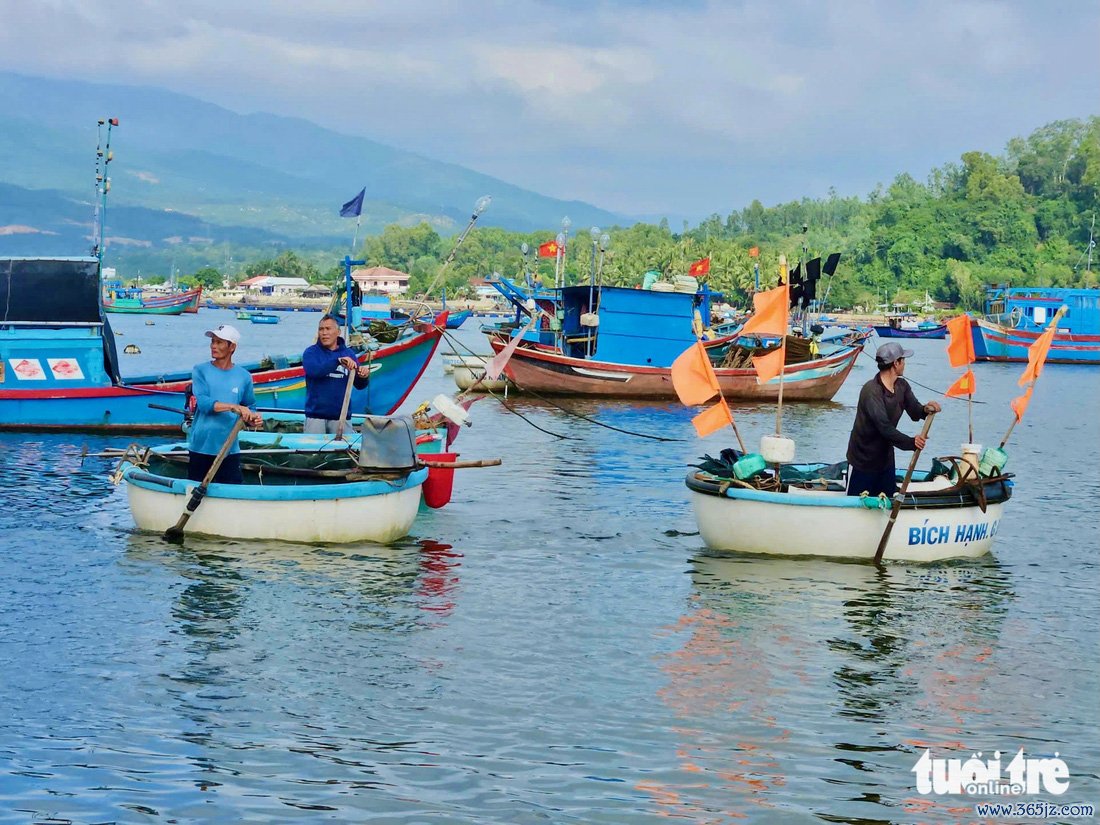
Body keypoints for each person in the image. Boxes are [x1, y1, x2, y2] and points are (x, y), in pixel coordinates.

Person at [846, 341, 942, 498]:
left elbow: (915, 411)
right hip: (863, 460)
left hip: (885, 460)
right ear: (896, 363)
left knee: (887, 499)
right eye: (903, 360)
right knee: (858, 503)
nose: (904, 364)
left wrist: (926, 409)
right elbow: (884, 427)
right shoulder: (871, 391)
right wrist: (911, 442)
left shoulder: (902, 386)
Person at [188, 324, 263, 483]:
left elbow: (250, 406)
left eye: (219, 342)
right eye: (213, 342)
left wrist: (253, 418)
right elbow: (204, 404)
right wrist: (233, 406)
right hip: (201, 447)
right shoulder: (200, 370)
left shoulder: (244, 376)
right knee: (195, 489)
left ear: (232, 347)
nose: (214, 346)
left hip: (229, 450)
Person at [302, 314, 371, 434]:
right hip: (316, 416)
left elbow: (359, 385)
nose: (324, 333)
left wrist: (363, 376)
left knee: (343, 451)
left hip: (342, 416)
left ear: (338, 332)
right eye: (321, 329)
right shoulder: (311, 353)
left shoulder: (349, 354)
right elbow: (315, 371)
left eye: (328, 329)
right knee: (312, 452)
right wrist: (337, 361)